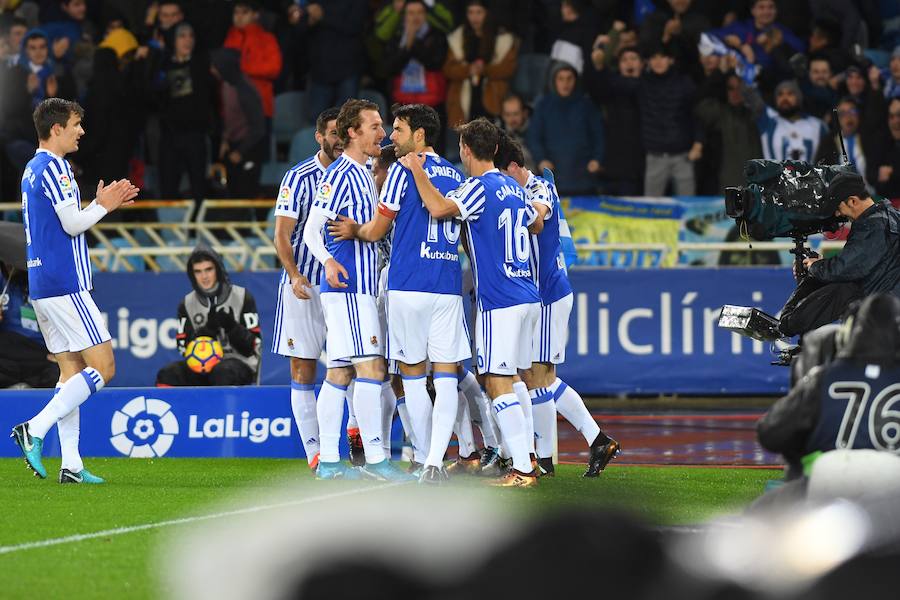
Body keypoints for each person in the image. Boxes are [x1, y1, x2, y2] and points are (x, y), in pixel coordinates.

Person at [328, 103, 469, 484]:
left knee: (411, 377)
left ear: (419, 135)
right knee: (445, 378)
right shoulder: (455, 175)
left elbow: (377, 230)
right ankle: (436, 460)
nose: (391, 137)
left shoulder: (403, 172)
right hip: (448, 286)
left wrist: (353, 230)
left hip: (408, 285)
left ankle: (423, 457)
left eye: (399, 130)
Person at [398, 117, 541, 487]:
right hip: (528, 293)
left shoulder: (477, 187)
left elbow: (439, 208)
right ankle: (529, 458)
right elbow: (535, 224)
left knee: (496, 382)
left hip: (500, 298)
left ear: (465, 150)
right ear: (495, 149)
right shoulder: (512, 187)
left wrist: (416, 170)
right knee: (514, 379)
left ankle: (522, 469)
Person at [11, 97, 139, 484]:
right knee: (104, 368)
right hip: (67, 282)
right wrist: (104, 205)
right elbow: (72, 225)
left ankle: (72, 464)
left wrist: (96, 204)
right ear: (56, 130)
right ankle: (35, 428)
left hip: (42, 283)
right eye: (75, 124)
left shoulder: (31, 169)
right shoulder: (57, 167)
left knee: (72, 370)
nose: (81, 131)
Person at [494, 132, 619, 478]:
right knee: (541, 378)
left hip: (549, 293)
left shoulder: (538, 189)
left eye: (502, 174)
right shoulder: (522, 188)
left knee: (538, 377)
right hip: (539, 295)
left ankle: (546, 460)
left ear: (515, 167)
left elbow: (536, 219)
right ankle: (597, 440)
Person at [301, 98, 412, 482]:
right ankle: (377, 459)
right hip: (350, 289)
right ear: (353, 132)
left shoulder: (363, 172)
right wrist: (328, 262)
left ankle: (330, 462)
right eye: (375, 126)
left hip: (359, 289)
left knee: (340, 372)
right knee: (371, 368)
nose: (382, 133)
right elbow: (313, 227)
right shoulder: (342, 174)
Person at [757, 293, 900, 507]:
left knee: (761, 516)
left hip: (829, 482)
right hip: (892, 489)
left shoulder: (822, 378)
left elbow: (771, 434)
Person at [271, 107, 342, 471]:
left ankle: (358, 446)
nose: (337, 138)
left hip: (347, 287)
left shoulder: (357, 174)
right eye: (331, 132)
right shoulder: (298, 177)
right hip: (306, 286)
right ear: (319, 136)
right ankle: (315, 453)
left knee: (359, 366)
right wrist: (295, 275)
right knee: (303, 368)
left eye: (341, 132)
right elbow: (282, 234)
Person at [779, 171, 900, 337]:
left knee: (844, 289)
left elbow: (846, 269)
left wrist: (815, 267)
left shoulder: (872, 225)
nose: (837, 214)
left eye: (838, 207)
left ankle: (787, 325)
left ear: (853, 201)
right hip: (889, 314)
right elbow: (864, 263)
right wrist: (822, 265)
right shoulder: (890, 214)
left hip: (879, 322)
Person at [156, 245, 261, 386]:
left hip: (240, 363)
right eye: (198, 271)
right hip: (200, 365)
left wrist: (231, 326)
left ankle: (225, 409)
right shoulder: (186, 304)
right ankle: (183, 409)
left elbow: (253, 347)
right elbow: (183, 348)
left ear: (218, 269)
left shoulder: (242, 297)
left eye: (208, 269)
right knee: (168, 374)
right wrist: (207, 330)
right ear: (192, 274)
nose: (204, 276)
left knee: (223, 372)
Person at [155, 22, 212, 210]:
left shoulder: (201, 64)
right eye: (182, 36)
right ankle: (170, 235)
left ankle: (197, 234)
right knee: (168, 186)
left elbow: (209, 102)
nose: (188, 40)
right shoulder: (163, 65)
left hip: (195, 135)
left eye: (191, 36)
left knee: (198, 188)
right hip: (170, 135)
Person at [527, 62, 604, 196]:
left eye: (569, 78)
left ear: (576, 81)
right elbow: (534, 137)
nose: (565, 83)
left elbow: (599, 135)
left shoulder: (587, 105)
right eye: (561, 78)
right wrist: (541, 159)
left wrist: (597, 159)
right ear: (553, 81)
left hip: (584, 179)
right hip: (553, 179)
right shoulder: (543, 106)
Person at [443, 0, 518, 127]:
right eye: (470, 12)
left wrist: (485, 70)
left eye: (479, 12)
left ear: (487, 14)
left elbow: (508, 68)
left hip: (492, 100)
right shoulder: (457, 37)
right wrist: (468, 70)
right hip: (464, 101)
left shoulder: (502, 38)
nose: (474, 17)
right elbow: (448, 69)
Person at [210, 47, 265, 202]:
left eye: (215, 66)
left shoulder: (246, 91)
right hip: (235, 147)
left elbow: (258, 128)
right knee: (233, 194)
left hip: (248, 149)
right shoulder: (227, 85)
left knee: (245, 195)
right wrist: (226, 141)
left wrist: (241, 152)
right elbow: (230, 118)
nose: (212, 70)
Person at [0, 261, 59, 388]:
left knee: (60, 373)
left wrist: (60, 353)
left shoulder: (40, 279)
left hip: (38, 354)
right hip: (5, 352)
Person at [222, 0, 281, 121]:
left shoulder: (267, 39)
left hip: (260, 103)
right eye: (236, 12)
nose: (239, 17)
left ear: (255, 15)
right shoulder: (229, 37)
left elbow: (274, 68)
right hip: (233, 105)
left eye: (244, 12)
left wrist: (242, 68)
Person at [756, 79, 828, 163]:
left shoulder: (818, 125)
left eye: (790, 94)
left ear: (798, 98)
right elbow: (752, 99)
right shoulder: (768, 122)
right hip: (774, 176)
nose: (784, 98)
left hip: (811, 175)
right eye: (780, 94)